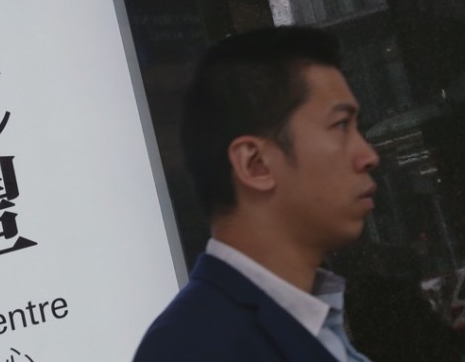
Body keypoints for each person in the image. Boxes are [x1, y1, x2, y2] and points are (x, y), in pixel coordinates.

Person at [133, 26, 380, 361]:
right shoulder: (192, 348)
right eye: (340, 126)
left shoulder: (314, 322)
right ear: (256, 164)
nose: (368, 155)